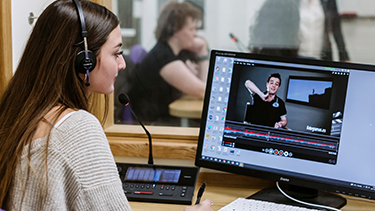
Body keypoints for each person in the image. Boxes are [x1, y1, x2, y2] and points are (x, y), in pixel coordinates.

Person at [0, 0, 213, 210]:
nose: (123, 63)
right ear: (85, 60)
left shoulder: (15, 114)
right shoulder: (77, 129)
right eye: (116, 53)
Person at [126, 1, 209, 125]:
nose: (195, 34)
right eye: (191, 29)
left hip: (161, 120)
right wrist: (203, 52)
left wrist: (201, 53)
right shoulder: (163, 58)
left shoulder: (175, 54)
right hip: (153, 125)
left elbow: (203, 85)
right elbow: (204, 91)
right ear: (175, 29)